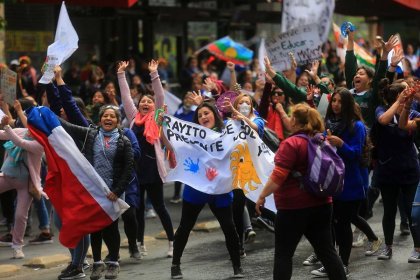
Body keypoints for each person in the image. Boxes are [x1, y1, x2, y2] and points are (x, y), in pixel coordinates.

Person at [255, 103, 347, 280]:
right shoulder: (320, 139)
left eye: (290, 117)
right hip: (322, 203)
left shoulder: (291, 143)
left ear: (295, 121)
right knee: (327, 252)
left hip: (293, 208)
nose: (289, 119)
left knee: (283, 254)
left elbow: (278, 175)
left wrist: (261, 196)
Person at [311, 88, 382, 277]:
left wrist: (341, 144)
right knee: (332, 225)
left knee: (343, 225)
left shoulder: (356, 126)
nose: (335, 105)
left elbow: (356, 155)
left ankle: (343, 264)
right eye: (333, 101)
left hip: (350, 183)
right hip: (330, 182)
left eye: (340, 102)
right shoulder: (327, 123)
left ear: (348, 104)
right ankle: (331, 264)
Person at [169, 102, 244, 279]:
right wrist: (161, 126)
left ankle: (237, 267)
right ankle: (175, 265)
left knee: (229, 227)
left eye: (206, 113)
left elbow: (241, 144)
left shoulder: (227, 132)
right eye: (200, 115)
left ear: (215, 115)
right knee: (185, 227)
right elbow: (173, 145)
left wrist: (239, 118)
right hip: (196, 189)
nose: (203, 117)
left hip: (220, 189)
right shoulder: (191, 136)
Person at [60, 105, 134, 280]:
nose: (108, 119)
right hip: (94, 191)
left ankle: (113, 263)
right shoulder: (91, 134)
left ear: (117, 121)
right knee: (95, 227)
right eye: (105, 116)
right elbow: (67, 126)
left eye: (112, 116)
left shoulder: (124, 141)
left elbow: (128, 168)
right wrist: (47, 115)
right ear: (100, 119)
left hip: (113, 192)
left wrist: (117, 191)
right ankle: (97, 264)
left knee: (111, 227)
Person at [118, 59, 175, 257]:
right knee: (138, 209)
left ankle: (171, 242)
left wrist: (154, 74)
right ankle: (140, 244)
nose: (145, 103)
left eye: (149, 102)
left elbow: (159, 95)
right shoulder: (133, 117)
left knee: (159, 207)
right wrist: (120, 75)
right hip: (136, 171)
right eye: (143, 101)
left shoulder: (158, 116)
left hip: (153, 170)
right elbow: (125, 96)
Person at [372, 79, 420, 261]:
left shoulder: (413, 113)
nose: (410, 94)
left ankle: (417, 248)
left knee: (411, 211)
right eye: (405, 92)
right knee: (389, 211)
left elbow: (404, 125)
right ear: (397, 96)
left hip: (409, 169)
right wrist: (398, 102)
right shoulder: (382, 110)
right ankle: (387, 247)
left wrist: (404, 105)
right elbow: (383, 121)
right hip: (388, 169)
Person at [223, 92, 264, 257]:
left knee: (262, 206)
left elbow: (255, 130)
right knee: (237, 208)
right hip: (237, 173)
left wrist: (241, 118)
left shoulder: (257, 120)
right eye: (241, 103)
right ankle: (239, 244)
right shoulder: (229, 123)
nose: (244, 105)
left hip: (254, 171)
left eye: (247, 102)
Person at [0, 114, 45, 259]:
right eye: (31, 125)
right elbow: (3, 135)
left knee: (20, 215)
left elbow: (20, 143)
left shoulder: (41, 144)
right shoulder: (21, 131)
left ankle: (17, 246)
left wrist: (7, 127)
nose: (32, 128)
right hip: (6, 176)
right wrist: (5, 129)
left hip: (26, 184)